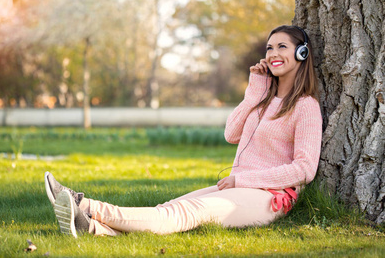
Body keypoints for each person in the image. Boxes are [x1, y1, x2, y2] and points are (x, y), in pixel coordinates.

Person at [44, 25, 323, 237]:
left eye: (282, 47)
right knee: (166, 208)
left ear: (301, 53)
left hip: (268, 197)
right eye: (269, 48)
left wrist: (243, 180)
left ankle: (86, 205)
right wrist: (254, 93)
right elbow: (231, 134)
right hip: (241, 185)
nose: (273, 54)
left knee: (184, 213)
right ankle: (91, 228)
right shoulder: (262, 99)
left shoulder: (305, 106)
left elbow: (304, 169)